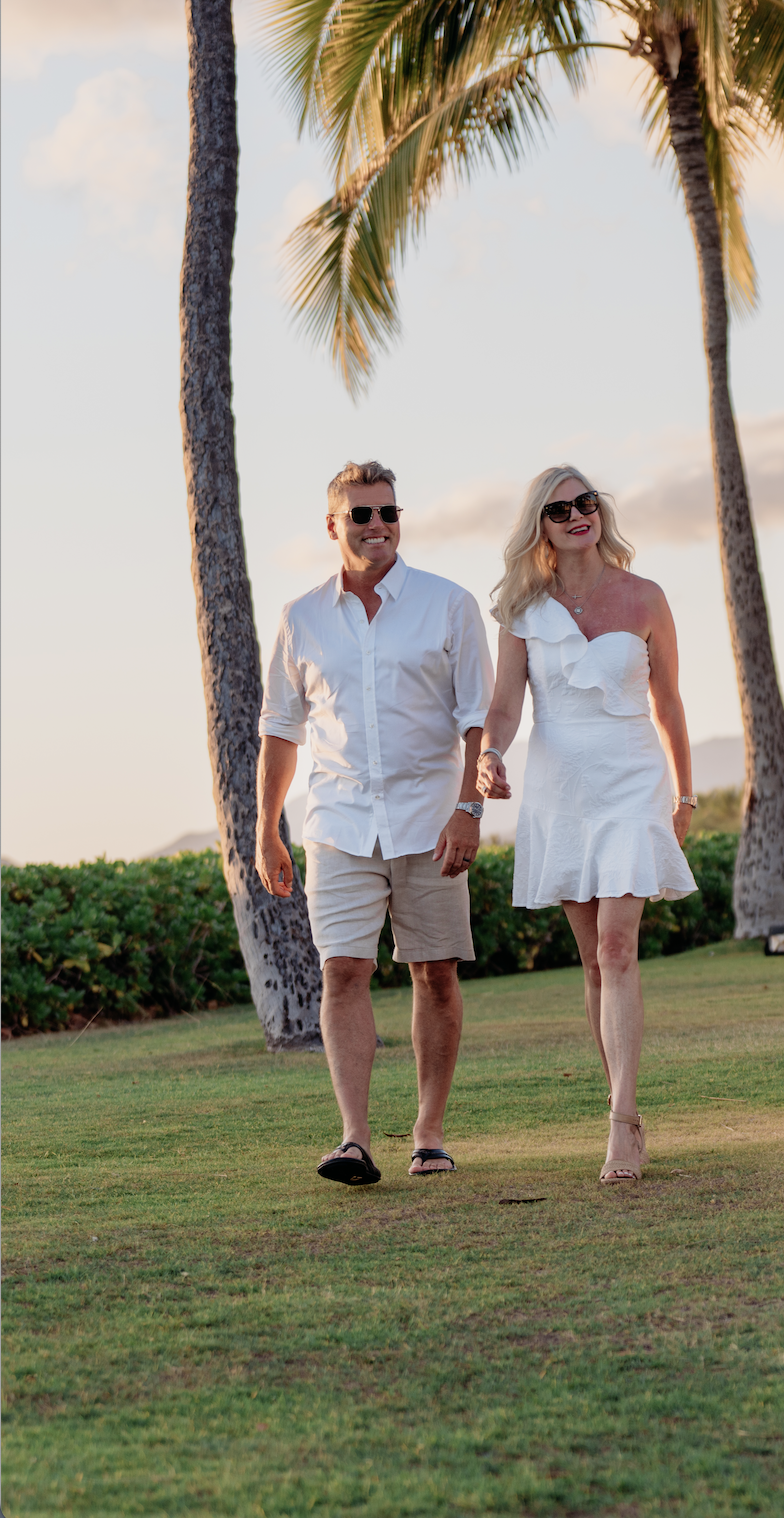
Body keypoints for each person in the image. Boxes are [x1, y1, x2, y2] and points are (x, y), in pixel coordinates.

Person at [257, 460, 493, 1185]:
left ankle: (428, 1132)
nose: (378, 526)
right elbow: (280, 729)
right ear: (333, 526)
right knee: (344, 970)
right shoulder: (301, 617)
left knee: (436, 976)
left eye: (388, 512)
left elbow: (476, 720)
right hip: (338, 820)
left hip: (430, 819)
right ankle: (354, 1138)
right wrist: (267, 828)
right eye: (361, 515)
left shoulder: (448, 605)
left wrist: (469, 808)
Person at [476, 468, 696, 1182]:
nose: (577, 515)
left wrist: (685, 794)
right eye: (559, 508)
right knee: (593, 959)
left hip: (633, 778)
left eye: (586, 503)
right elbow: (505, 706)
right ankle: (620, 1101)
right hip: (560, 788)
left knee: (617, 945)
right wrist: (488, 753)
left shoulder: (646, 597)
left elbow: (669, 704)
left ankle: (622, 1122)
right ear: (539, 525)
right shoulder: (522, 608)